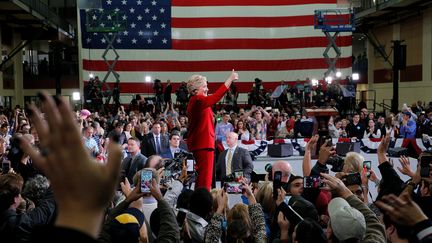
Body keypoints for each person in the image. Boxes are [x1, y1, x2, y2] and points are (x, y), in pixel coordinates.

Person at [186, 70, 238, 190]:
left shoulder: (199, 102)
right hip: (203, 145)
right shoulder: (197, 100)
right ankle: (203, 206)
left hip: (203, 144)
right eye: (204, 86)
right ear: (196, 88)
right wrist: (230, 79)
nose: (207, 89)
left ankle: (201, 203)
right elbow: (216, 97)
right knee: (205, 181)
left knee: (204, 180)